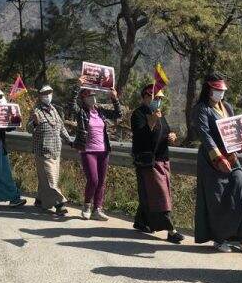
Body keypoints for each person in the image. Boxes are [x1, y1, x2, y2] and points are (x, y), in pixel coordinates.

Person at [192, 74, 242, 255]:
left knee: (241, 193)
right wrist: (217, 157)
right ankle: (219, 238)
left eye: (222, 90)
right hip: (211, 160)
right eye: (217, 90)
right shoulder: (201, 109)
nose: (220, 93)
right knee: (217, 199)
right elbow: (205, 135)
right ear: (209, 89)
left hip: (232, 158)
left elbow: (235, 131)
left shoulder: (228, 107)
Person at [130, 85, 184, 243]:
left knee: (149, 193)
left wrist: (171, 136)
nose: (158, 101)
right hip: (149, 162)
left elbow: (165, 133)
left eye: (160, 98)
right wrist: (151, 120)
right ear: (145, 97)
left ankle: (141, 221)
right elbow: (141, 137)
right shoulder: (138, 114)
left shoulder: (160, 115)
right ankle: (171, 230)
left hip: (163, 159)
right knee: (161, 195)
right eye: (155, 97)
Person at [70, 85, 122, 220]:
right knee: (93, 180)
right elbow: (71, 105)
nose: (92, 98)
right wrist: (77, 86)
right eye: (88, 95)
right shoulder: (81, 112)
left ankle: (97, 209)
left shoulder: (101, 111)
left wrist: (115, 99)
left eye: (93, 95)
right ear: (83, 98)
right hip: (88, 150)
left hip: (103, 150)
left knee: (101, 181)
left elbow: (118, 114)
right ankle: (87, 205)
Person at [27, 85, 71, 215]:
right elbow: (29, 129)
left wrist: (69, 140)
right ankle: (59, 204)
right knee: (50, 179)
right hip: (43, 150)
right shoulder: (36, 111)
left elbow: (61, 127)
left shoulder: (54, 110)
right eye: (45, 93)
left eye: (49, 92)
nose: (48, 95)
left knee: (47, 178)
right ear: (40, 96)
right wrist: (34, 122)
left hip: (56, 150)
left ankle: (40, 200)